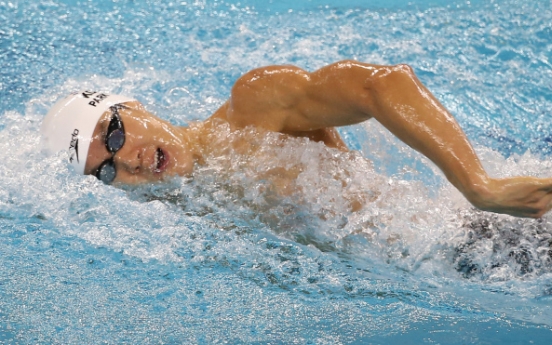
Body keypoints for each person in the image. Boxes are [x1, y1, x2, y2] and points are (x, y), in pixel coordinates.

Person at [41, 60, 552, 218]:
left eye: (114, 133)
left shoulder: (252, 108)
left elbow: (384, 85)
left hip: (491, 237)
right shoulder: (194, 210)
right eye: (104, 170)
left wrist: (479, 187)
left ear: (136, 106)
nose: (126, 161)